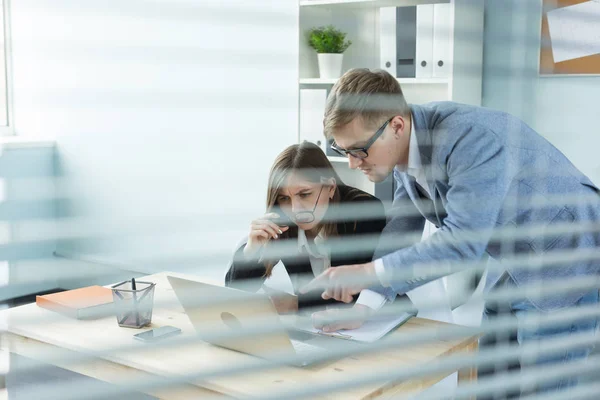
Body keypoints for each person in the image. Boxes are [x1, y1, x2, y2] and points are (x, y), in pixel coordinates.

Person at [300, 68, 600, 394]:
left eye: (359, 150)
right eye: (343, 152)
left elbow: (462, 243)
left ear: (396, 126)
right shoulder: (403, 149)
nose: (354, 164)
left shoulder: (471, 140)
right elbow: (401, 229)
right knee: (491, 369)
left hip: (569, 252)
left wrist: (368, 271)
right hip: (517, 253)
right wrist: (364, 307)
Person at [225, 141, 395, 332]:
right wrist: (251, 250)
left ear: (330, 188)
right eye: (284, 198)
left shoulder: (363, 211)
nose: (295, 209)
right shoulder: (281, 222)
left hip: (381, 323)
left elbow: (355, 295)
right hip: (324, 329)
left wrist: (295, 304)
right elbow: (234, 290)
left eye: (305, 194)